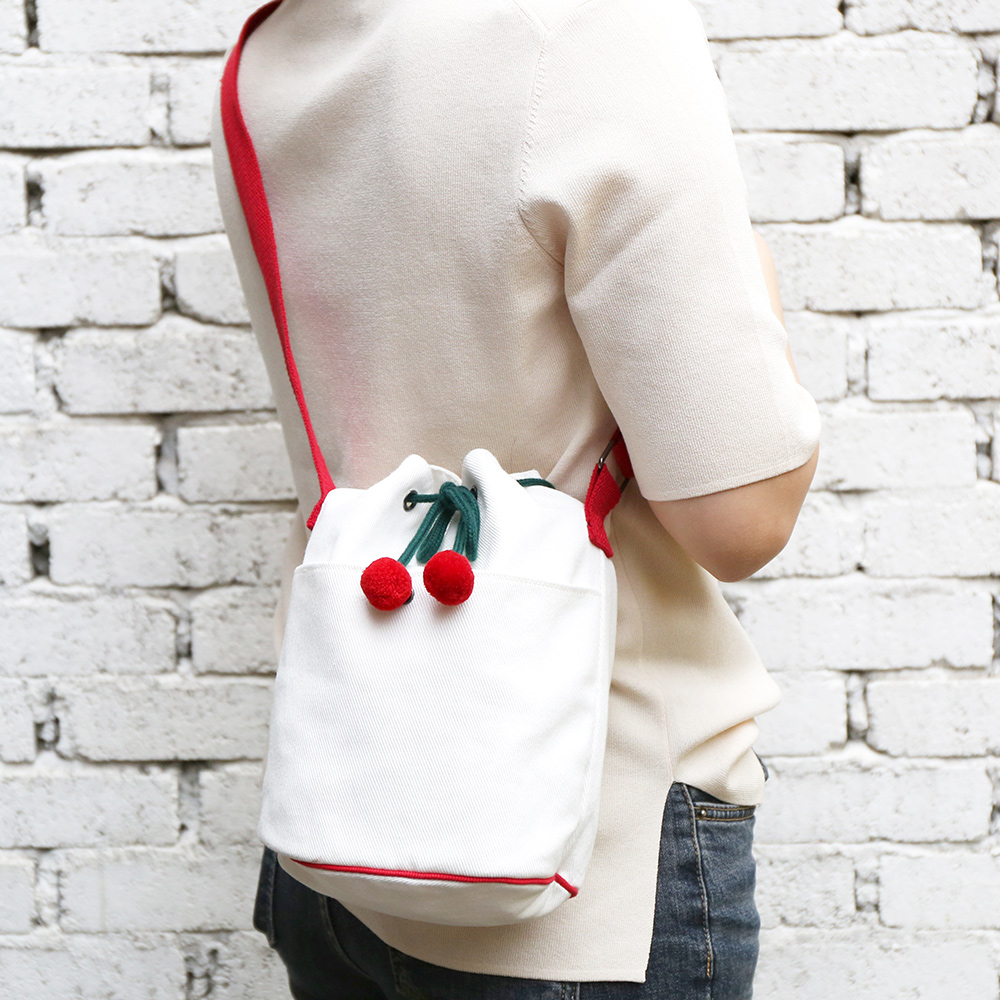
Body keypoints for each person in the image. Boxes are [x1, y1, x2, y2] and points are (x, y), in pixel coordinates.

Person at [210, 0, 821, 996]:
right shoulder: (586, 26)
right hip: (582, 866)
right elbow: (742, 519)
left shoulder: (275, 49)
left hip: (337, 839)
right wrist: (760, 281)